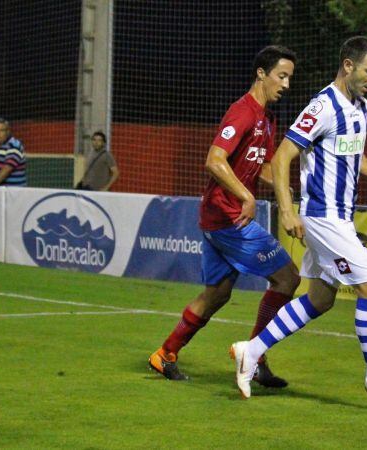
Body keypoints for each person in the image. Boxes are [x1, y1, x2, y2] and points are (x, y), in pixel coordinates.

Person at [230, 36, 367, 407]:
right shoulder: (322, 106)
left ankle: (251, 349)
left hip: (340, 217)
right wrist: (286, 210)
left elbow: (354, 156)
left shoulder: (361, 107)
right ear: (348, 65)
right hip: (322, 217)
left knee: (319, 298)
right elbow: (282, 158)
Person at [148, 45, 300, 387]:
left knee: (217, 294)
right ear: (261, 73)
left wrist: (284, 189)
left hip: (218, 219)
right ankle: (255, 358)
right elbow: (214, 160)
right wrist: (246, 196)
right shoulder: (243, 112)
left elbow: (262, 167)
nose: (287, 84)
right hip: (229, 218)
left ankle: (165, 354)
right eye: (282, 75)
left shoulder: (267, 117)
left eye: (290, 77)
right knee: (288, 278)